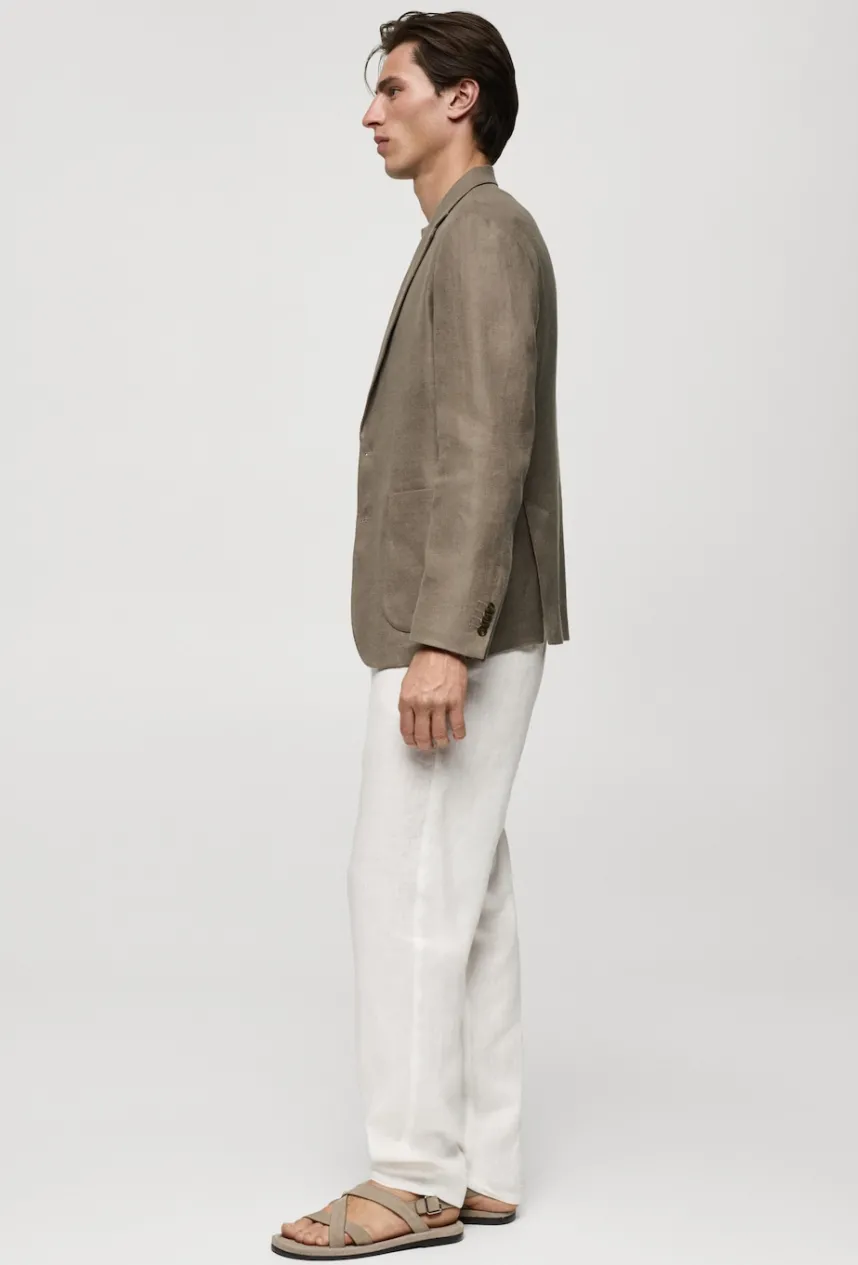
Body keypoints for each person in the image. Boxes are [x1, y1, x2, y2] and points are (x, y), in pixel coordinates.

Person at [272, 10, 569, 1259]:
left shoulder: (485, 235)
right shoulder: (465, 234)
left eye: (391, 87)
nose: (369, 111)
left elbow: (486, 444)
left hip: (460, 622)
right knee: (466, 883)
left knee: (402, 881)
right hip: (473, 615)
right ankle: (483, 1161)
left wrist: (445, 638)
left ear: (461, 100)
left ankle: (410, 1174)